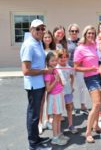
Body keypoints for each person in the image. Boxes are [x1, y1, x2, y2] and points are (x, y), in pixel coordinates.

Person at [20, 19, 52, 150]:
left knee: (36, 113)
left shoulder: (38, 42)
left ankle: (36, 139)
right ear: (31, 30)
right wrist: (44, 71)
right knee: (33, 115)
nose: (40, 31)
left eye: (42, 29)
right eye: (37, 29)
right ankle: (33, 145)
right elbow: (26, 71)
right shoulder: (29, 45)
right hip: (34, 85)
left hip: (40, 83)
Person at [74, 25, 101, 143]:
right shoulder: (80, 49)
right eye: (89, 33)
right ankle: (88, 133)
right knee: (96, 104)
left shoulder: (94, 45)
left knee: (98, 104)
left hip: (98, 76)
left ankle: (96, 126)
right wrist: (89, 69)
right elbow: (76, 67)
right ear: (85, 34)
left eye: (93, 33)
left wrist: (100, 66)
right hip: (90, 78)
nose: (91, 35)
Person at [44, 52, 68, 146]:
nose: (54, 62)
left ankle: (58, 134)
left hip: (59, 95)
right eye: (52, 61)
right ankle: (55, 138)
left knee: (59, 116)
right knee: (55, 118)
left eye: (55, 60)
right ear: (47, 62)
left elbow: (61, 83)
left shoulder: (55, 70)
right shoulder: (48, 74)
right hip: (54, 97)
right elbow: (48, 89)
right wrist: (56, 80)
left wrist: (59, 80)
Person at [67, 24, 88, 114]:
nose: (74, 33)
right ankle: (71, 104)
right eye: (72, 31)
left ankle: (83, 105)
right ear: (69, 32)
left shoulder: (82, 41)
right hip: (69, 66)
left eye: (76, 31)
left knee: (81, 86)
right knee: (69, 87)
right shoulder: (66, 42)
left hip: (80, 66)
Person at [56, 49, 78, 134]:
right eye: (61, 57)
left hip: (68, 91)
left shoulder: (69, 67)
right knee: (59, 110)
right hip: (59, 93)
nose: (63, 59)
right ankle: (58, 128)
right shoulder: (56, 68)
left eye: (65, 57)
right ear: (57, 58)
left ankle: (70, 125)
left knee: (69, 108)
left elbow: (72, 77)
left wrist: (71, 86)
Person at [39, 30, 56, 134]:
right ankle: (40, 123)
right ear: (42, 38)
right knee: (42, 101)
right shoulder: (39, 49)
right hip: (41, 77)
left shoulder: (53, 50)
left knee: (49, 100)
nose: (47, 39)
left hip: (51, 78)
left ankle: (48, 119)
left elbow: (55, 64)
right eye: (45, 37)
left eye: (49, 37)